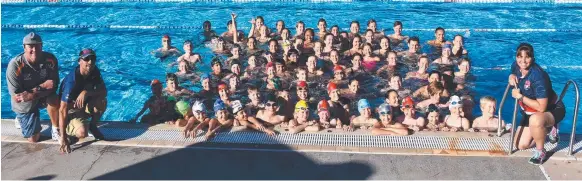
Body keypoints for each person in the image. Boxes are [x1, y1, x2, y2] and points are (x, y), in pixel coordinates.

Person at [509, 43, 565, 165]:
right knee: (521, 145)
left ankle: (541, 151)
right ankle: (547, 128)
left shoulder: (538, 76)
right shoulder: (517, 66)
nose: (523, 61)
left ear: (532, 58)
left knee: (535, 120)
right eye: (520, 56)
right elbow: (513, 70)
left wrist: (520, 97)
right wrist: (511, 75)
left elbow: (541, 107)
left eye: (527, 57)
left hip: (551, 110)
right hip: (530, 111)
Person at [7, 32, 60, 143]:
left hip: (39, 95)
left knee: (54, 98)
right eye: (31, 46)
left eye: (37, 46)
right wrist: (43, 86)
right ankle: (20, 118)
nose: (34, 50)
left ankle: (55, 129)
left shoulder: (50, 59)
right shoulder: (15, 65)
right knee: (34, 139)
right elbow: (17, 97)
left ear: (42, 46)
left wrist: (34, 92)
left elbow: (54, 84)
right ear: (24, 47)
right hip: (24, 103)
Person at [58, 48, 108, 153]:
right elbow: (62, 110)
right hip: (71, 111)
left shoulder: (95, 71)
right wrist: (63, 138)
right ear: (79, 61)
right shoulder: (72, 82)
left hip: (84, 106)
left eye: (93, 59)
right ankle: (64, 131)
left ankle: (93, 126)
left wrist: (87, 92)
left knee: (102, 101)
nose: (90, 62)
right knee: (82, 133)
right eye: (86, 59)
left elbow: (104, 92)